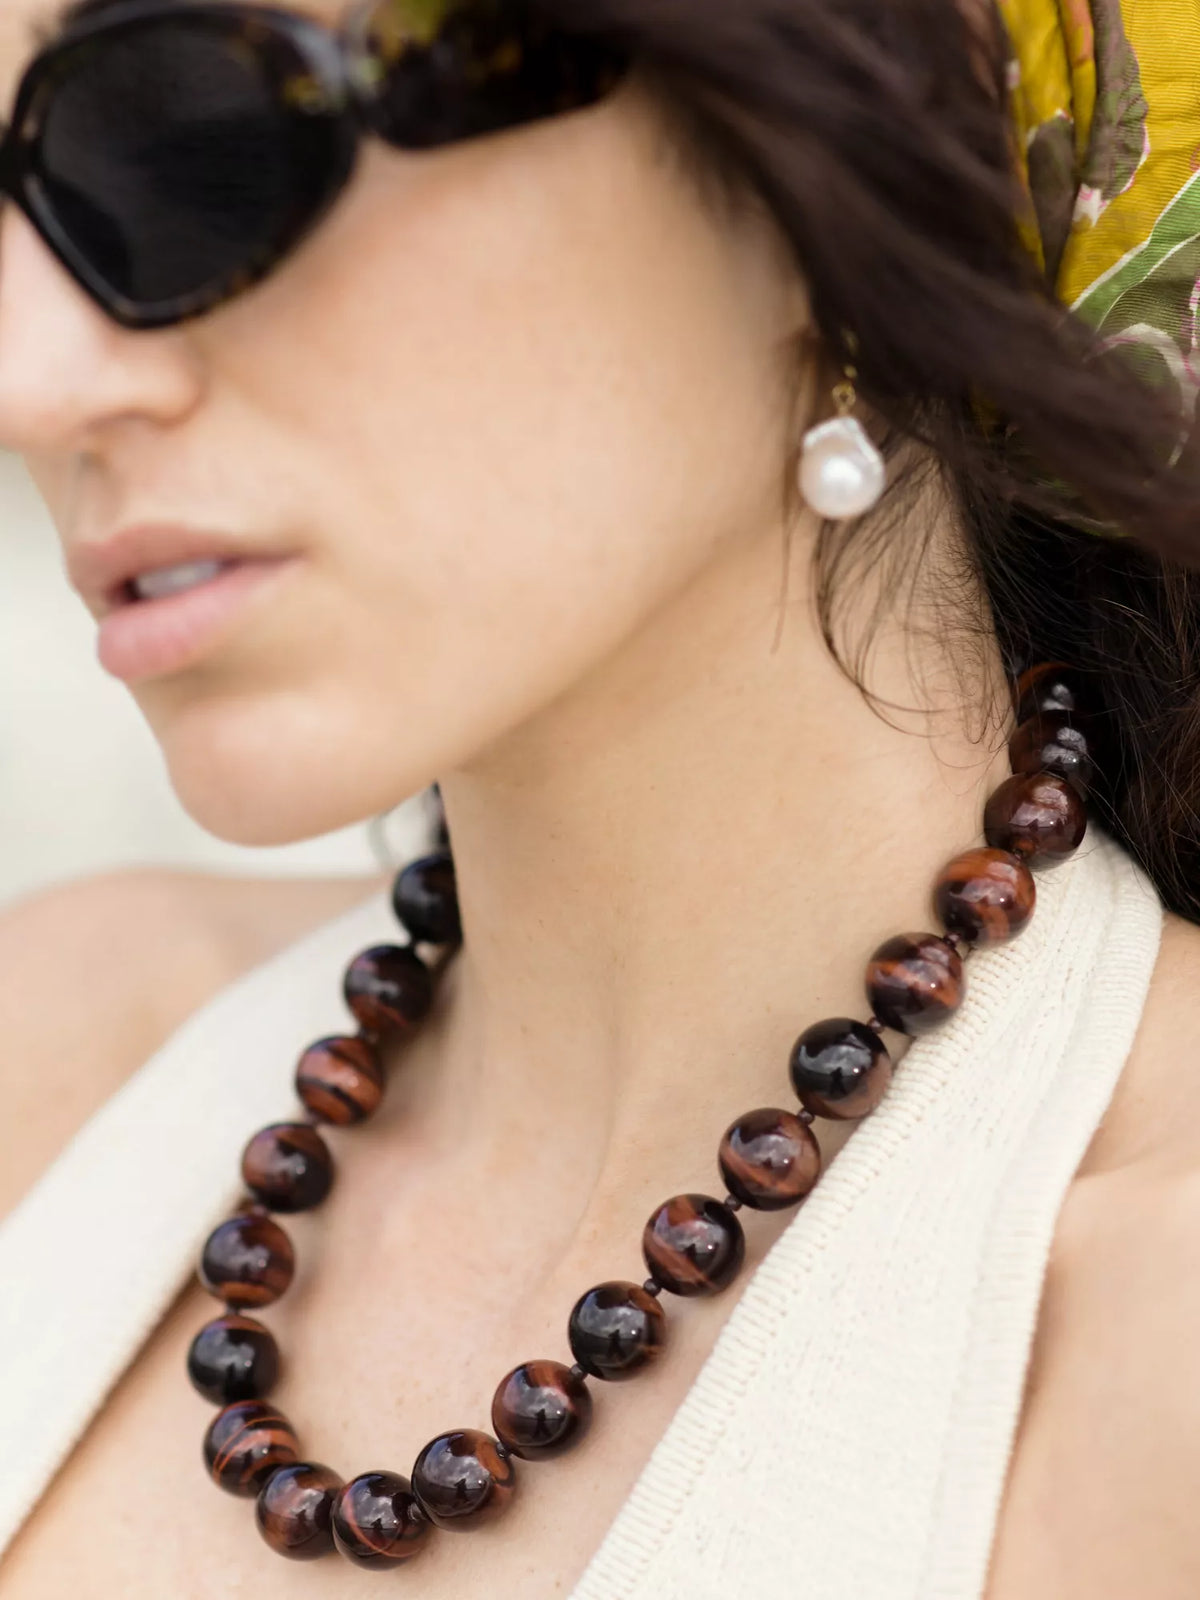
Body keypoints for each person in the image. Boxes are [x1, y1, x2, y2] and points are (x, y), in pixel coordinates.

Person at [1, 0, 1199, 1593]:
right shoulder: (52, 1058)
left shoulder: (1154, 1341)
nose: (30, 380)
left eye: (183, 135)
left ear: (826, 164)